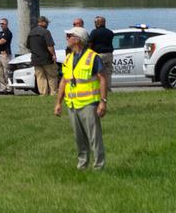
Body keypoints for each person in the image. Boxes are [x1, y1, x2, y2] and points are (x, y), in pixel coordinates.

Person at [56, 26, 106, 171]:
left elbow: (102, 79)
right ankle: (82, 165)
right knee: (79, 138)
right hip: (72, 104)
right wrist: (58, 103)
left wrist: (103, 102)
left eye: (69, 36)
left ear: (77, 40)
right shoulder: (68, 58)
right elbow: (64, 81)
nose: (66, 38)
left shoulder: (92, 57)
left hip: (89, 104)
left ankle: (98, 167)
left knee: (94, 138)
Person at [25, 17, 59, 98]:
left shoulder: (31, 33)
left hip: (35, 58)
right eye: (46, 23)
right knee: (52, 76)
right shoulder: (46, 32)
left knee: (40, 77)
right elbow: (50, 45)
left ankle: (43, 93)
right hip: (46, 58)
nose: (47, 25)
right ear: (42, 22)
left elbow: (27, 45)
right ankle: (53, 93)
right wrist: (54, 55)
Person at [87, 16, 114, 96]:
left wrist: (88, 53)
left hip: (99, 55)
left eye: (95, 22)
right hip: (109, 54)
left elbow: (90, 44)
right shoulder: (110, 32)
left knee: (97, 73)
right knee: (108, 73)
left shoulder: (94, 32)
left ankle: (99, 90)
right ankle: (108, 89)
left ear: (98, 23)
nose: (95, 24)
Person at [0, 17, 15, 94]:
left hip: (6, 55)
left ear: (6, 24)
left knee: (7, 72)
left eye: (3, 23)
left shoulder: (8, 33)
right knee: (0, 72)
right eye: (0, 23)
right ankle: (3, 88)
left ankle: (10, 89)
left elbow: (2, 42)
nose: (1, 25)